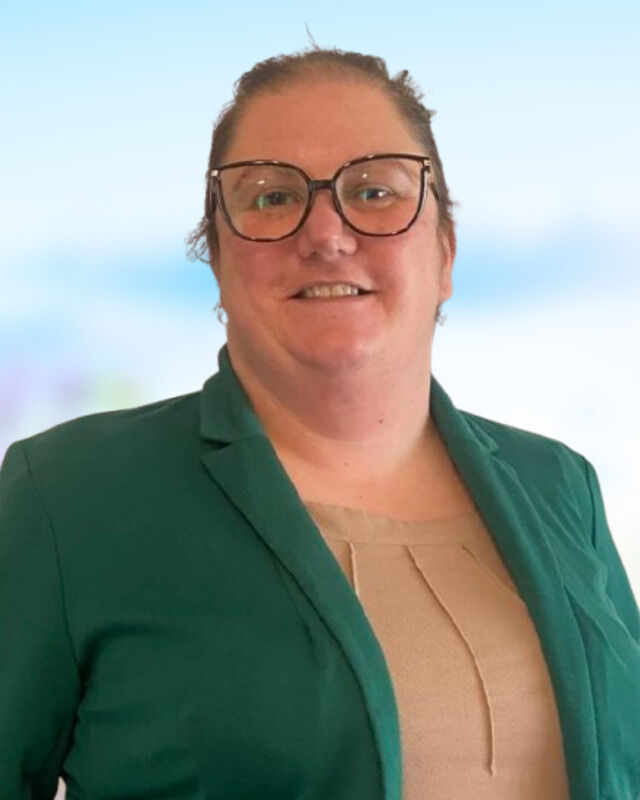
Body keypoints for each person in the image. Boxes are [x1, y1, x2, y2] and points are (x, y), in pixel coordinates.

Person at [1, 48, 638, 800]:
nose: (327, 233)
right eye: (271, 197)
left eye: (375, 191)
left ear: (445, 252)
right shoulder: (70, 494)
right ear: (216, 259)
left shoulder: (560, 485)